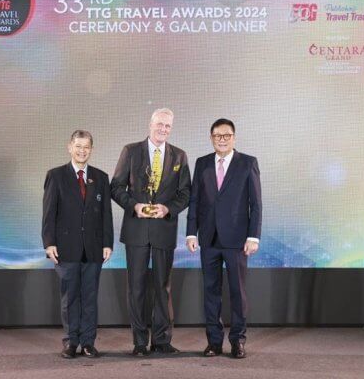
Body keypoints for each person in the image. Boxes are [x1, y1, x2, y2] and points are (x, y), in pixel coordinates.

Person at [111, 108, 191, 356]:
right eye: (159, 124)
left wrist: (168, 208)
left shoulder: (179, 156)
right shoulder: (131, 151)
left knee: (162, 287)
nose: (163, 129)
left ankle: (162, 340)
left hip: (164, 230)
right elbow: (116, 187)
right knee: (136, 287)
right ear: (150, 124)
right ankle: (138, 343)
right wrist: (134, 206)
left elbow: (185, 193)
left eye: (167, 126)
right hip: (136, 229)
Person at [186, 118, 262, 359]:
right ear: (211, 138)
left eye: (226, 135)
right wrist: (191, 232)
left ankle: (238, 341)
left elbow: (256, 204)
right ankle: (214, 342)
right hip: (208, 239)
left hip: (237, 240)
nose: (222, 139)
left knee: (237, 292)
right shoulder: (202, 163)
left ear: (234, 138)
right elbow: (195, 200)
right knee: (211, 291)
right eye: (217, 135)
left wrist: (253, 237)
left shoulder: (247, 163)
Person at [42, 130, 113, 359]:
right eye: (78, 146)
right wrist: (49, 242)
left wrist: (107, 243)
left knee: (90, 297)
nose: (82, 151)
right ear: (69, 147)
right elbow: (49, 213)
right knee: (70, 297)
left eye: (86, 147)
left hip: (93, 248)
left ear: (91, 150)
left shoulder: (101, 178)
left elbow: (106, 215)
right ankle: (71, 342)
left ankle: (88, 343)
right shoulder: (56, 176)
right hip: (66, 247)